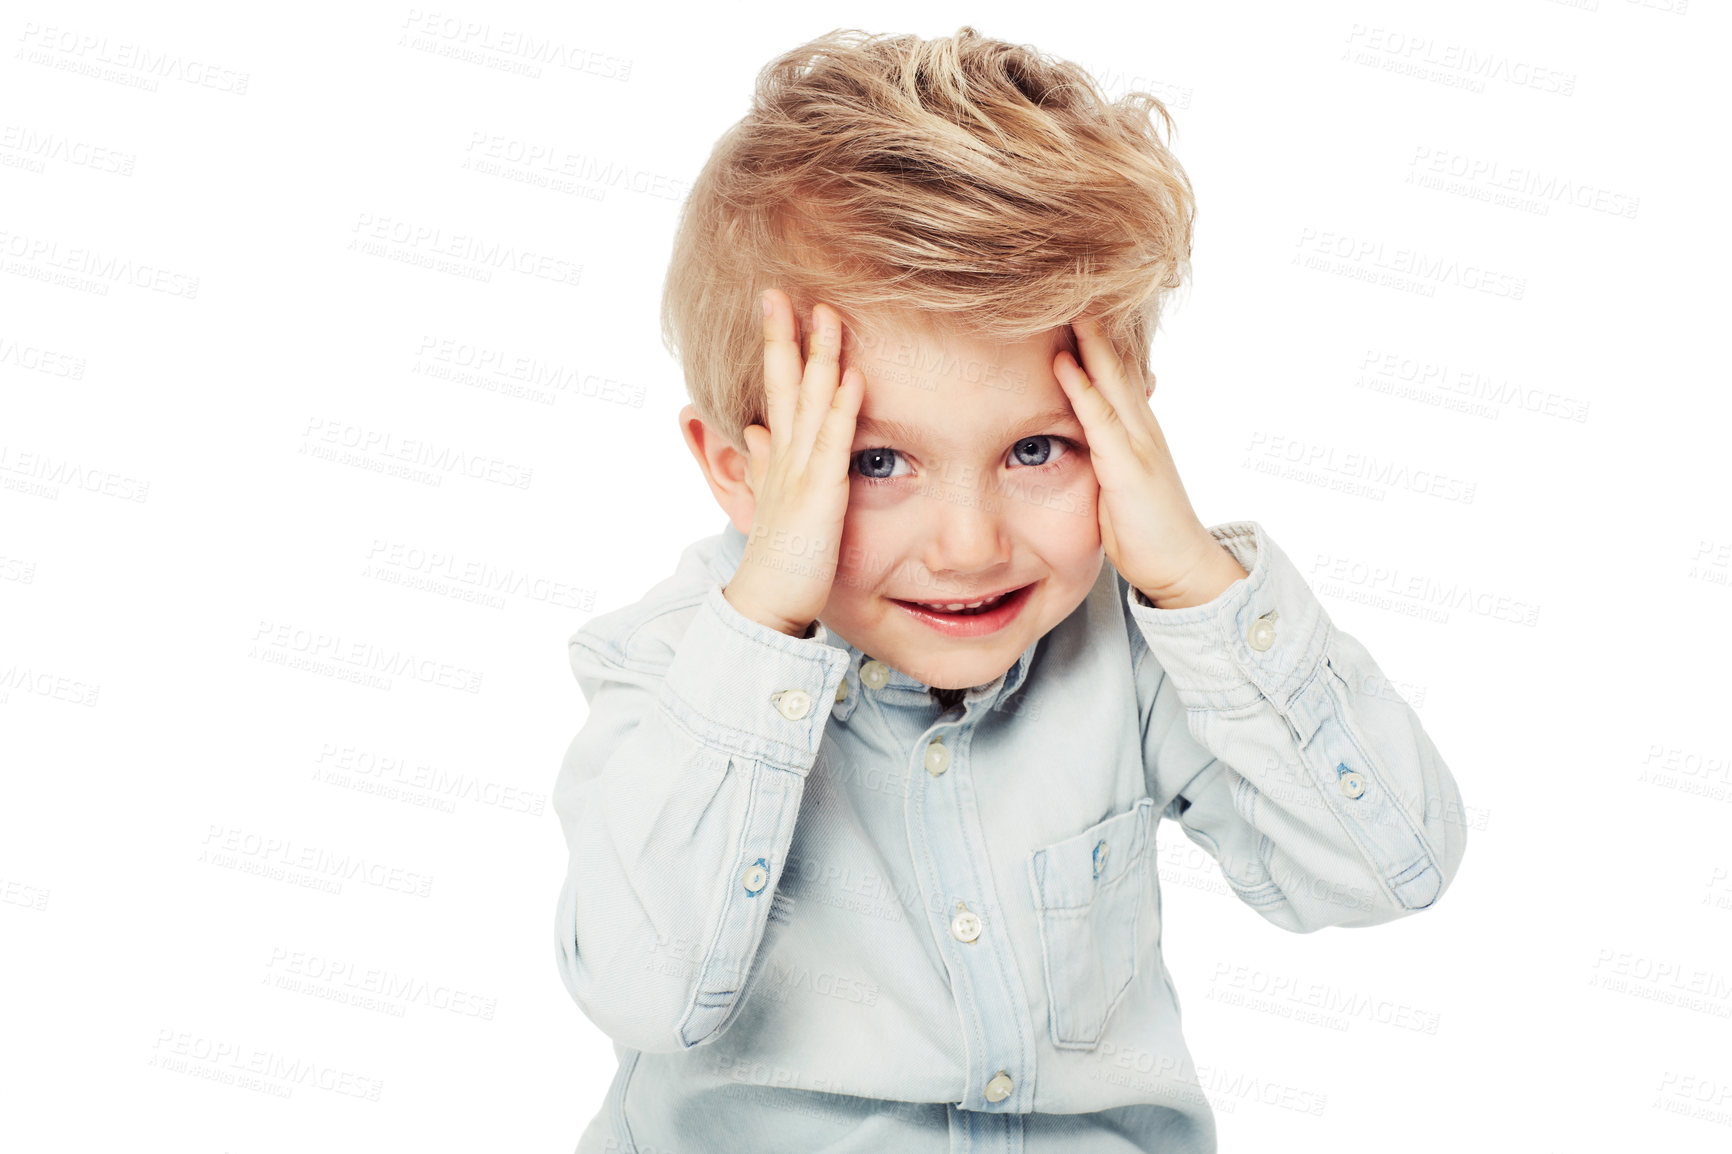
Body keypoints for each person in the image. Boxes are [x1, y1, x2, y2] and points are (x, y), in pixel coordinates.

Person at [552, 26, 1468, 1153]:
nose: (970, 545)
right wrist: (768, 616)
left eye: (1037, 450)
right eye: (874, 462)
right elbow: (644, 987)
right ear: (738, 470)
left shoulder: (1133, 648)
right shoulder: (666, 667)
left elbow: (1387, 868)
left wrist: (1191, 576)